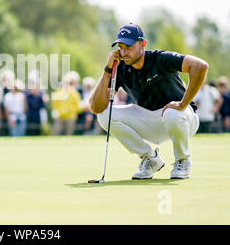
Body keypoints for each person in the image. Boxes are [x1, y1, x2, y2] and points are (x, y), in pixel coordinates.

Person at [89, 23, 207, 180]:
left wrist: (183, 103)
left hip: (183, 118)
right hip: (151, 121)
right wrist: (108, 69)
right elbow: (96, 107)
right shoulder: (121, 68)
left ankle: (183, 160)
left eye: (129, 46)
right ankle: (150, 158)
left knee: (172, 113)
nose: (124, 52)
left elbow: (200, 66)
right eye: (121, 47)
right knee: (104, 115)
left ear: (143, 44)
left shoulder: (160, 58)